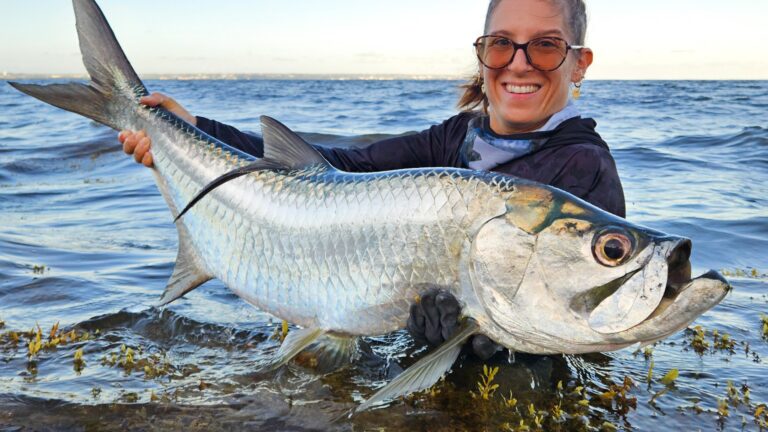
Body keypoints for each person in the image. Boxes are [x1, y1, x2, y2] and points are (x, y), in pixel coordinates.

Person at [119, 0, 625, 359]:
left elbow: (589, 332)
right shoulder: (452, 140)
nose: (519, 63)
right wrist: (189, 132)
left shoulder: (585, 166)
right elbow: (336, 169)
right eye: (501, 45)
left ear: (579, 64)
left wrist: (485, 346)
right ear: (482, 54)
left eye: (545, 46)